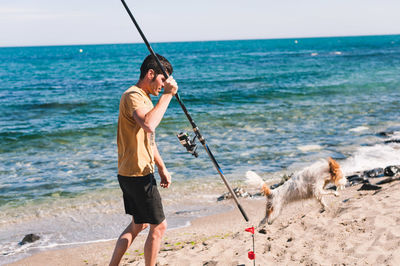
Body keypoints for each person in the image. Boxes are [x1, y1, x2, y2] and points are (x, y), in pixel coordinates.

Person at [110, 54, 178, 266]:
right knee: (159, 226)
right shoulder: (133, 95)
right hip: (137, 175)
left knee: (138, 224)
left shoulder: (144, 98)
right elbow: (149, 124)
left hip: (133, 172)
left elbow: (149, 138)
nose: (163, 85)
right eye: (162, 80)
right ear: (151, 74)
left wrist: (161, 167)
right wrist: (167, 95)